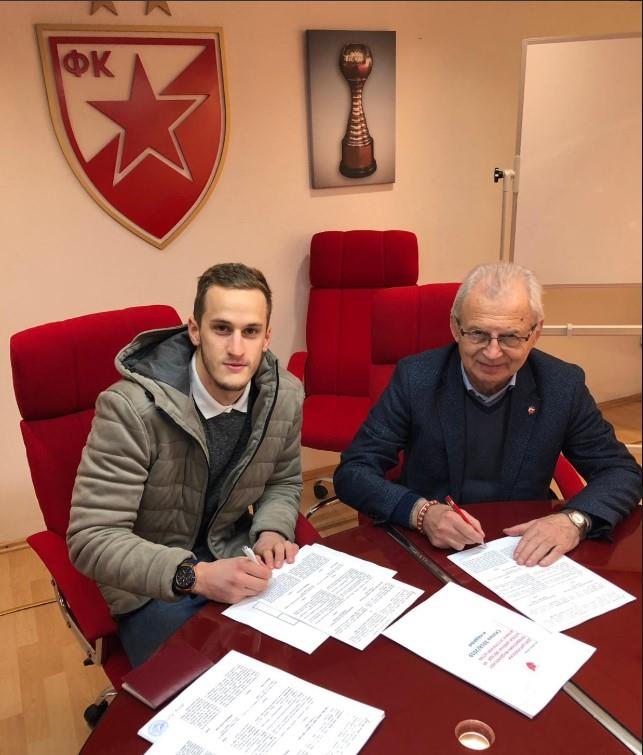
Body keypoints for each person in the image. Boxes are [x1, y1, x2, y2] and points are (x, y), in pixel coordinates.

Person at [68, 263, 304, 666]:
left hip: (234, 552)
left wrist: (271, 530)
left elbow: (283, 481)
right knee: (210, 683)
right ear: (194, 330)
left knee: (300, 660)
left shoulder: (284, 396)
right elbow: (92, 537)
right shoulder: (129, 410)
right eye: (221, 329)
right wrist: (196, 575)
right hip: (152, 585)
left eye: (250, 332)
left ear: (267, 337)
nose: (237, 349)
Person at [334, 262, 641, 567]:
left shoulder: (562, 385)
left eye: (510, 337)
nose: (492, 353)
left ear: (535, 333)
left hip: (521, 549)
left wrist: (573, 520)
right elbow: (354, 471)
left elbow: (621, 472)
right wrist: (421, 513)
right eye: (478, 334)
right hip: (431, 545)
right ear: (455, 327)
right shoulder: (416, 378)